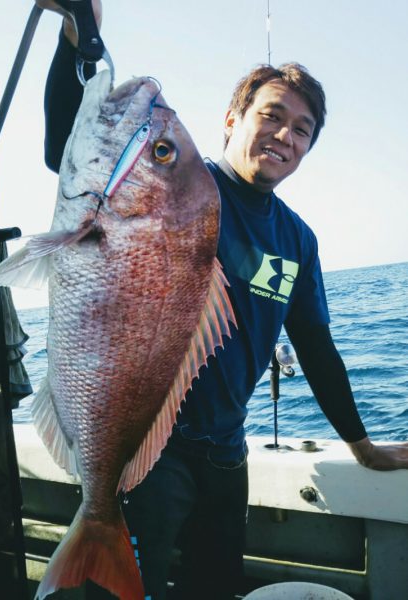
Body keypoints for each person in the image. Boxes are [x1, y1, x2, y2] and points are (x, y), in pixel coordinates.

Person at [36, 2, 408, 599]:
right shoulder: (176, 188)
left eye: (303, 128)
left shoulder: (298, 239)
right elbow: (69, 151)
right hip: (149, 454)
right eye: (272, 114)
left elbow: (316, 347)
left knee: (215, 587)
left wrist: (362, 446)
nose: (286, 135)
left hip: (227, 455)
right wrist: (74, 36)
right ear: (232, 118)